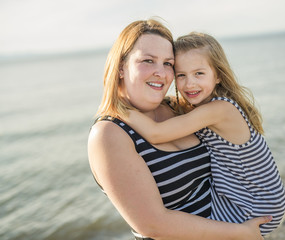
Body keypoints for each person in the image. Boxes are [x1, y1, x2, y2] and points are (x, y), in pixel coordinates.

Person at [88, 19, 272, 240]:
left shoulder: (180, 108)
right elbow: (153, 225)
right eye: (148, 60)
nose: (161, 72)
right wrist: (240, 233)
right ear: (120, 68)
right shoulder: (109, 133)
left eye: (168, 63)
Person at [126, 32, 285, 235]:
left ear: (218, 75)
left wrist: (119, 109)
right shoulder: (205, 107)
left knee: (175, 228)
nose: (189, 84)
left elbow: (156, 134)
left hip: (254, 206)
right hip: (250, 199)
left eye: (199, 74)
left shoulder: (220, 109)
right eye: (181, 75)